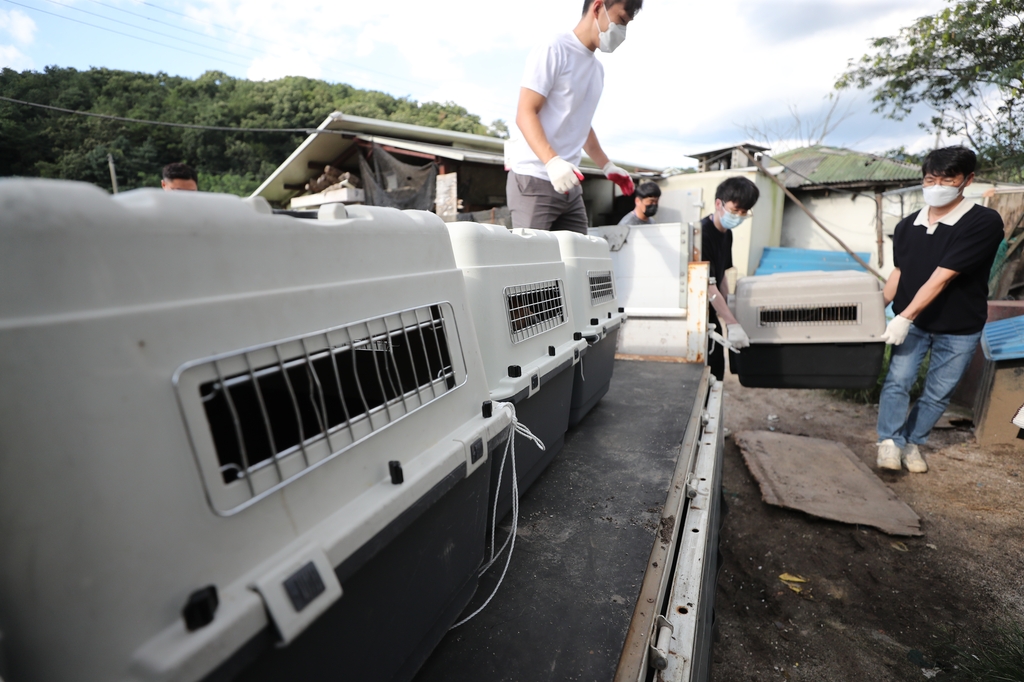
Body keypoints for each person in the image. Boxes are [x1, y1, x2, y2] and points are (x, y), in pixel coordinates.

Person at [876, 146, 1004, 473]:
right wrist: (876, 309)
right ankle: (889, 442)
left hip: (959, 328)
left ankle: (912, 441)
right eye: (931, 179)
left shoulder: (983, 222)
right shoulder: (906, 226)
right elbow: (899, 272)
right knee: (898, 382)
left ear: (968, 180)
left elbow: (943, 277)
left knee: (937, 393)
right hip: (914, 324)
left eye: (948, 179)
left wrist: (904, 317)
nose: (937, 186)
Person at [505, 0, 641, 234]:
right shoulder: (554, 48)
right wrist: (552, 162)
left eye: (627, 25)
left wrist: (607, 166)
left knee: (580, 263)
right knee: (533, 266)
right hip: (534, 178)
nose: (622, 31)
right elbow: (525, 112)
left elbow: (580, 124)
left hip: (570, 184)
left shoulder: (597, 70)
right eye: (620, 21)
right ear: (598, 8)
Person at [702, 176, 759, 381]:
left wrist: (730, 306)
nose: (739, 217)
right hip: (698, 314)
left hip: (713, 310)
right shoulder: (702, 234)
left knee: (718, 368)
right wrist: (731, 322)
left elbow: (722, 275)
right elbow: (708, 286)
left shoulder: (727, 233)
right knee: (705, 370)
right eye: (735, 211)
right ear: (719, 204)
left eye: (744, 213)